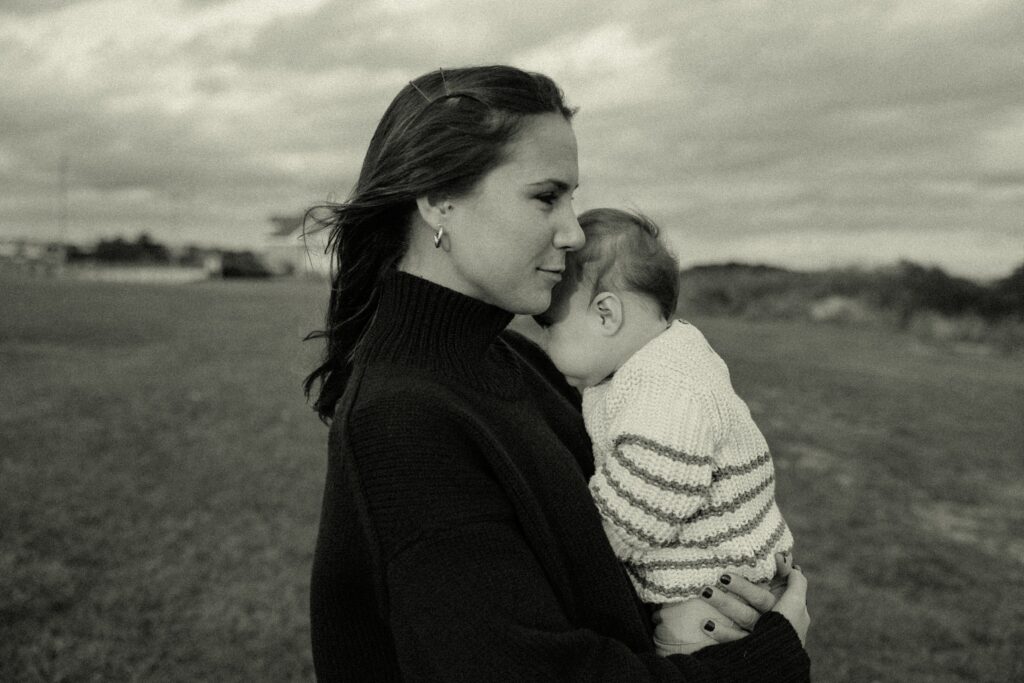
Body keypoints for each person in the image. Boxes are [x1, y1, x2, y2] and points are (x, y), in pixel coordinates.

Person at [305, 65, 810, 681]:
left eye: (571, 198)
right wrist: (767, 659)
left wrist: (695, 605)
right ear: (440, 200)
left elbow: (591, 578)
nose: (573, 231)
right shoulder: (402, 424)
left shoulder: (515, 361)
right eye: (547, 196)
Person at [534, 208, 796, 657]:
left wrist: (574, 546)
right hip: (715, 576)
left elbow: (648, 498)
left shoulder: (665, 387)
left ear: (605, 315)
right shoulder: (656, 359)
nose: (544, 346)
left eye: (549, 330)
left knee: (684, 660)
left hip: (710, 591)